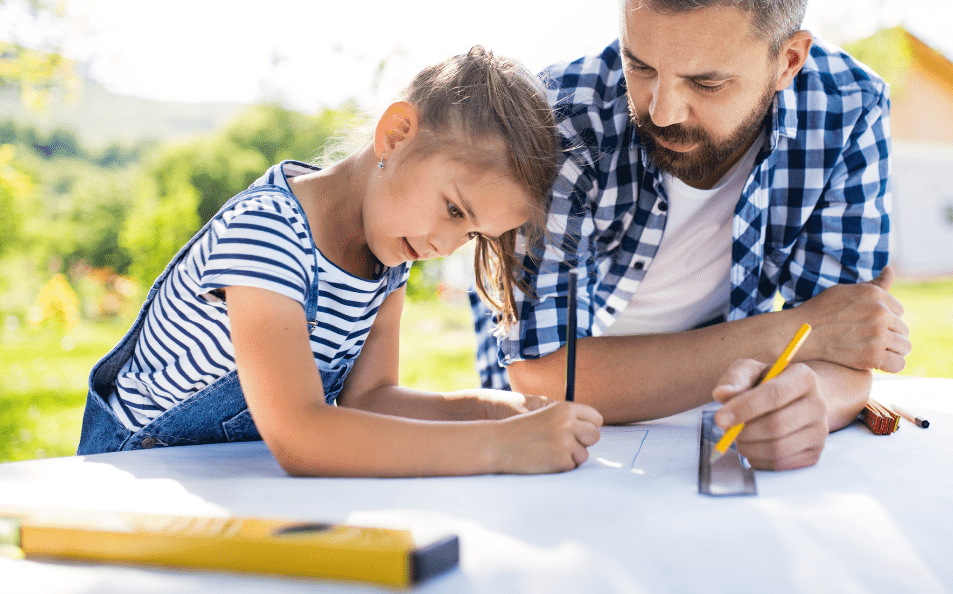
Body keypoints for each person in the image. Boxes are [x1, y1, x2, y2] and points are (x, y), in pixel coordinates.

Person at [473, 0, 910, 471]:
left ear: (788, 60)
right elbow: (545, 375)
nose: (662, 110)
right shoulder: (558, 114)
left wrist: (813, 401)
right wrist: (793, 332)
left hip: (706, 423)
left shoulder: (847, 109)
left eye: (706, 83)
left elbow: (847, 344)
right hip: (568, 443)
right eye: (640, 65)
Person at [79, 46, 603, 477]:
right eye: (451, 209)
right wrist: (498, 446)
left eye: (471, 233)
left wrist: (495, 410)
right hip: (139, 481)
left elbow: (369, 400)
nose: (446, 245)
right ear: (396, 135)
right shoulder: (268, 234)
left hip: (231, 478)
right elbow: (301, 435)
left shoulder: (389, 257)